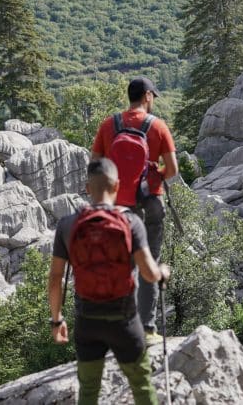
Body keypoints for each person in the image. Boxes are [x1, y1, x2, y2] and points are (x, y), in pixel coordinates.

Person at [48, 158, 171, 405]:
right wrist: (162, 272)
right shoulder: (131, 222)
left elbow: (55, 278)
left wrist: (57, 319)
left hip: (87, 321)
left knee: (89, 391)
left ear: (86, 188)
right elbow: (148, 273)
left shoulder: (68, 225)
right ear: (117, 186)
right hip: (124, 321)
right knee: (142, 386)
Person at [91, 76, 178, 343]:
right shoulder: (158, 126)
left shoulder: (109, 125)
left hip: (118, 208)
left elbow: (95, 169)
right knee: (149, 263)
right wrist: (154, 174)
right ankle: (148, 329)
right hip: (150, 203)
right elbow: (172, 171)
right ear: (148, 96)